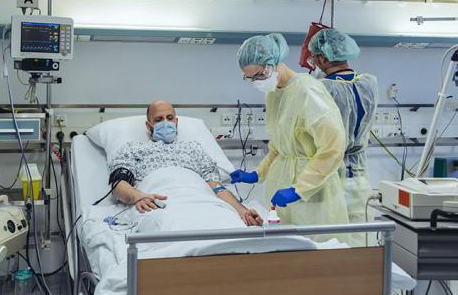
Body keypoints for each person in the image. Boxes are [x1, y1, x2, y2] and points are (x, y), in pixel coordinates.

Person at [229, 33, 349, 237]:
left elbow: (333, 148)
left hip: (313, 194)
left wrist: (300, 189)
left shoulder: (308, 91)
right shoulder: (274, 93)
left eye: (258, 75)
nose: (256, 82)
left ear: (273, 64)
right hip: (282, 187)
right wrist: (257, 174)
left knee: (317, 253)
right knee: (288, 251)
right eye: (250, 78)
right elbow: (279, 146)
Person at [109, 101, 262, 226]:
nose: (165, 122)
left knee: (226, 222)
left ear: (176, 122)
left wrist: (243, 211)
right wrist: (139, 197)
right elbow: (118, 186)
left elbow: (216, 187)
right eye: (158, 119)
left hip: (200, 200)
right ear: (149, 126)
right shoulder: (133, 149)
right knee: (167, 225)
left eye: (169, 118)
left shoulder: (194, 148)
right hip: (158, 203)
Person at [308, 28, 379, 246]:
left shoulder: (319, 89)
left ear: (322, 57)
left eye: (315, 57)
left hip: (328, 179)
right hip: (359, 177)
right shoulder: (369, 84)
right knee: (361, 242)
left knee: (329, 244)